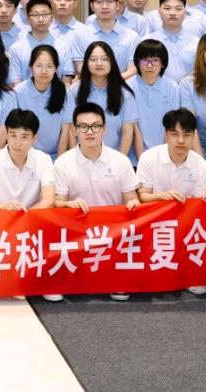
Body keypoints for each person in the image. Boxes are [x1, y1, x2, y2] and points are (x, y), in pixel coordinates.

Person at [54, 102, 140, 301]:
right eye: (83, 127)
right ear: (74, 130)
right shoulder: (63, 163)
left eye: (95, 126)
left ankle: (117, 278)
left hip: (113, 233)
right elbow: (57, 203)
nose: (89, 132)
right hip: (77, 231)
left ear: (104, 129)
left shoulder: (121, 161)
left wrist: (134, 204)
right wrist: (66, 204)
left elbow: (132, 199)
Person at [135, 108, 206, 296]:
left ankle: (188, 273)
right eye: (175, 134)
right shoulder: (149, 157)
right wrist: (162, 196)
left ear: (194, 136)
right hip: (153, 220)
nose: (181, 141)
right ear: (166, 134)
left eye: (187, 134)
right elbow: (142, 196)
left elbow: (197, 206)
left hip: (184, 223)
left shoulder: (201, 165)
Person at [70, 41, 138, 156]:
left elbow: (127, 131)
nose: (99, 63)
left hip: (114, 157)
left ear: (112, 63)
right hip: (82, 156)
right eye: (93, 59)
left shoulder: (124, 94)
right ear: (86, 63)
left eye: (105, 59)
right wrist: (75, 158)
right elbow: (71, 130)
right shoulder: (73, 91)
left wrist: (120, 160)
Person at [11, 44, 71, 157]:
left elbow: (65, 131)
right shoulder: (19, 91)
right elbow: (15, 128)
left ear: (56, 68)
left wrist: (59, 161)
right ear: (31, 67)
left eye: (49, 66)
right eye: (39, 66)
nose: (44, 71)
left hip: (54, 156)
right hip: (26, 156)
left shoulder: (65, 93)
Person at [66, 0, 140, 70]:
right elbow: (80, 67)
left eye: (109, 1)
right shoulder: (80, 35)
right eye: (99, 2)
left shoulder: (132, 37)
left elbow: (132, 69)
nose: (105, 6)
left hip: (122, 79)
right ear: (92, 6)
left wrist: (115, 78)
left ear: (117, 5)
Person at [129, 39, 180, 160]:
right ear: (137, 62)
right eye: (145, 60)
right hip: (134, 157)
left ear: (163, 63)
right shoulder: (128, 87)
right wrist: (142, 160)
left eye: (155, 60)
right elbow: (132, 127)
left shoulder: (172, 87)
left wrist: (164, 157)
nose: (149, 65)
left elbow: (171, 125)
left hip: (165, 154)